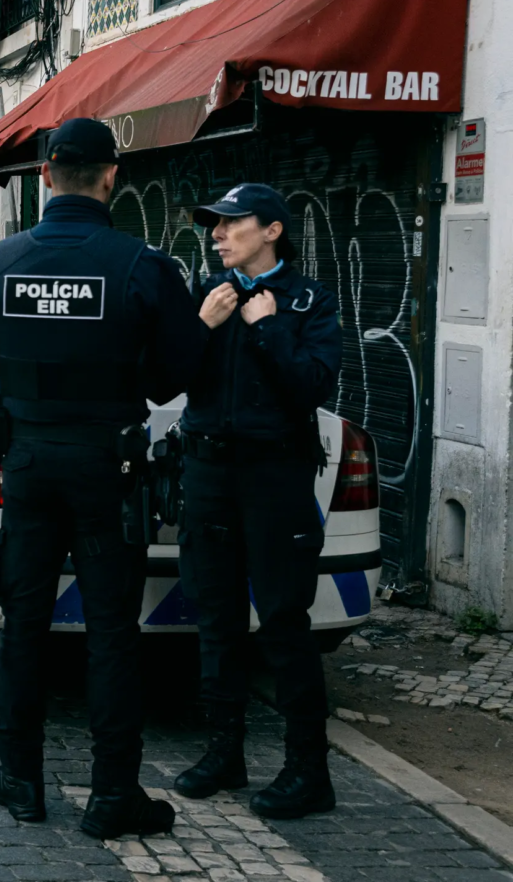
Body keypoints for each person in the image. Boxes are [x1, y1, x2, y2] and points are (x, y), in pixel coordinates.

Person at [0, 118, 206, 839]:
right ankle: (111, 794)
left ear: (44, 176)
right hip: (110, 468)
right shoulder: (142, 265)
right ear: (110, 176)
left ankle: (21, 779)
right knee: (112, 635)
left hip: (29, 465)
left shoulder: (0, 261)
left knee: (23, 625)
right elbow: (173, 377)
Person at [172, 184, 343, 819]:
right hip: (209, 473)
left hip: (276, 479)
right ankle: (225, 752)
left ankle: (308, 770)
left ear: (271, 230)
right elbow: (168, 376)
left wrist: (267, 327)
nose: (216, 234)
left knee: (283, 623)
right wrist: (201, 326)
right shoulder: (205, 297)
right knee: (214, 617)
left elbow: (312, 388)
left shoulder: (307, 301)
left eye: (229, 223)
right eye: (212, 226)